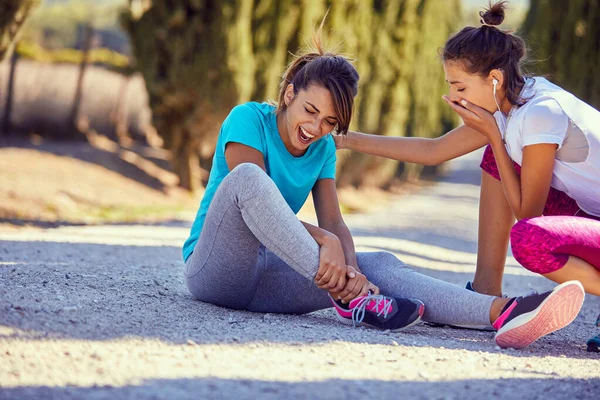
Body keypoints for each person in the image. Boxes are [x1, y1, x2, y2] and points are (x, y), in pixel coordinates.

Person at [182, 23, 585, 349]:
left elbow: (335, 224)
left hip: (272, 279)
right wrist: (326, 242)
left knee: (379, 264)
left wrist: (354, 269)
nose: (316, 127)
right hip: (216, 270)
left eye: (329, 122)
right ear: (289, 93)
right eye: (310, 110)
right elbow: (252, 202)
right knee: (250, 179)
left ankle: (500, 311)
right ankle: (352, 300)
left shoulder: (321, 147)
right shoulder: (247, 119)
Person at [333, 1, 599, 351]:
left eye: (459, 87)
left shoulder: (538, 114)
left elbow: (530, 220)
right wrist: (344, 140)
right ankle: (485, 289)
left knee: (522, 217)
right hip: (591, 218)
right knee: (496, 153)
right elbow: (433, 151)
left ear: (494, 80)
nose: (452, 98)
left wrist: (493, 136)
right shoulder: (506, 105)